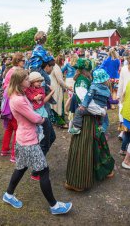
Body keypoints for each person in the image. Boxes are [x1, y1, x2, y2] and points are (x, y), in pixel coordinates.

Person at [2, 68, 72, 215]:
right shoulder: (19, 99)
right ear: (20, 82)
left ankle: (8, 195)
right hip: (28, 140)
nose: (30, 80)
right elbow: (34, 117)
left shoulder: (17, 94)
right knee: (43, 171)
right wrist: (43, 119)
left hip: (23, 137)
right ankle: (54, 206)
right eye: (27, 79)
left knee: (21, 167)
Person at [65, 60, 115, 192]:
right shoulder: (82, 82)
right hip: (86, 120)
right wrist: (101, 111)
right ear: (86, 70)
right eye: (90, 69)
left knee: (96, 144)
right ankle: (77, 181)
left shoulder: (86, 80)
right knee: (83, 148)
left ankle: (104, 170)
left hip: (91, 119)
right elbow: (86, 102)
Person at [25, 71, 55, 181]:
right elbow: (32, 99)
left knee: (52, 138)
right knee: (44, 142)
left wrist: (51, 92)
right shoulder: (27, 91)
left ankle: (39, 160)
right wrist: (35, 97)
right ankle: (36, 170)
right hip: (39, 118)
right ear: (32, 81)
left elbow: (42, 101)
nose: (39, 83)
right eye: (37, 81)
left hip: (44, 115)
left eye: (40, 81)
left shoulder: (40, 89)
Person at [69, 68, 109, 135]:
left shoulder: (93, 87)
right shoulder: (107, 89)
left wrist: (83, 105)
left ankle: (76, 127)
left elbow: (88, 97)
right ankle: (102, 127)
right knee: (103, 116)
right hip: (102, 106)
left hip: (93, 107)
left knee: (78, 111)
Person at [50, 55, 72, 128]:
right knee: (58, 105)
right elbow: (60, 81)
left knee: (55, 105)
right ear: (62, 61)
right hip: (56, 88)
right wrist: (68, 87)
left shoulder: (55, 66)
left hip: (54, 87)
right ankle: (61, 123)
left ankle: (56, 121)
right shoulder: (57, 67)